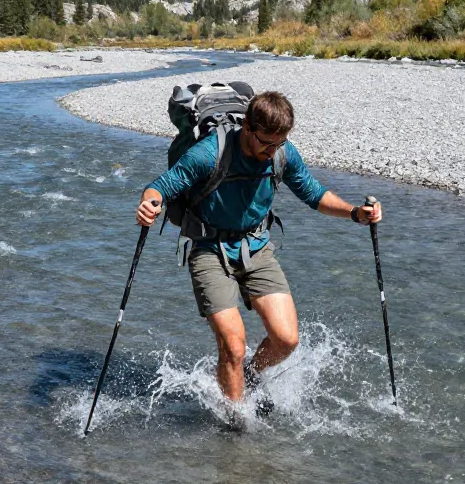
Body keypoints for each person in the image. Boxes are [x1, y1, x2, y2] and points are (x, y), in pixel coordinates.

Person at [135, 91, 382, 411]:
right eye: (266, 143)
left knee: (286, 340)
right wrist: (149, 204)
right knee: (233, 347)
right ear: (247, 128)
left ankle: (249, 375)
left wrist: (355, 213)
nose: (272, 151)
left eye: (279, 143)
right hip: (209, 249)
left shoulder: (281, 152)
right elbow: (161, 186)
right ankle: (235, 422)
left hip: (255, 247)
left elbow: (314, 193)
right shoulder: (210, 153)